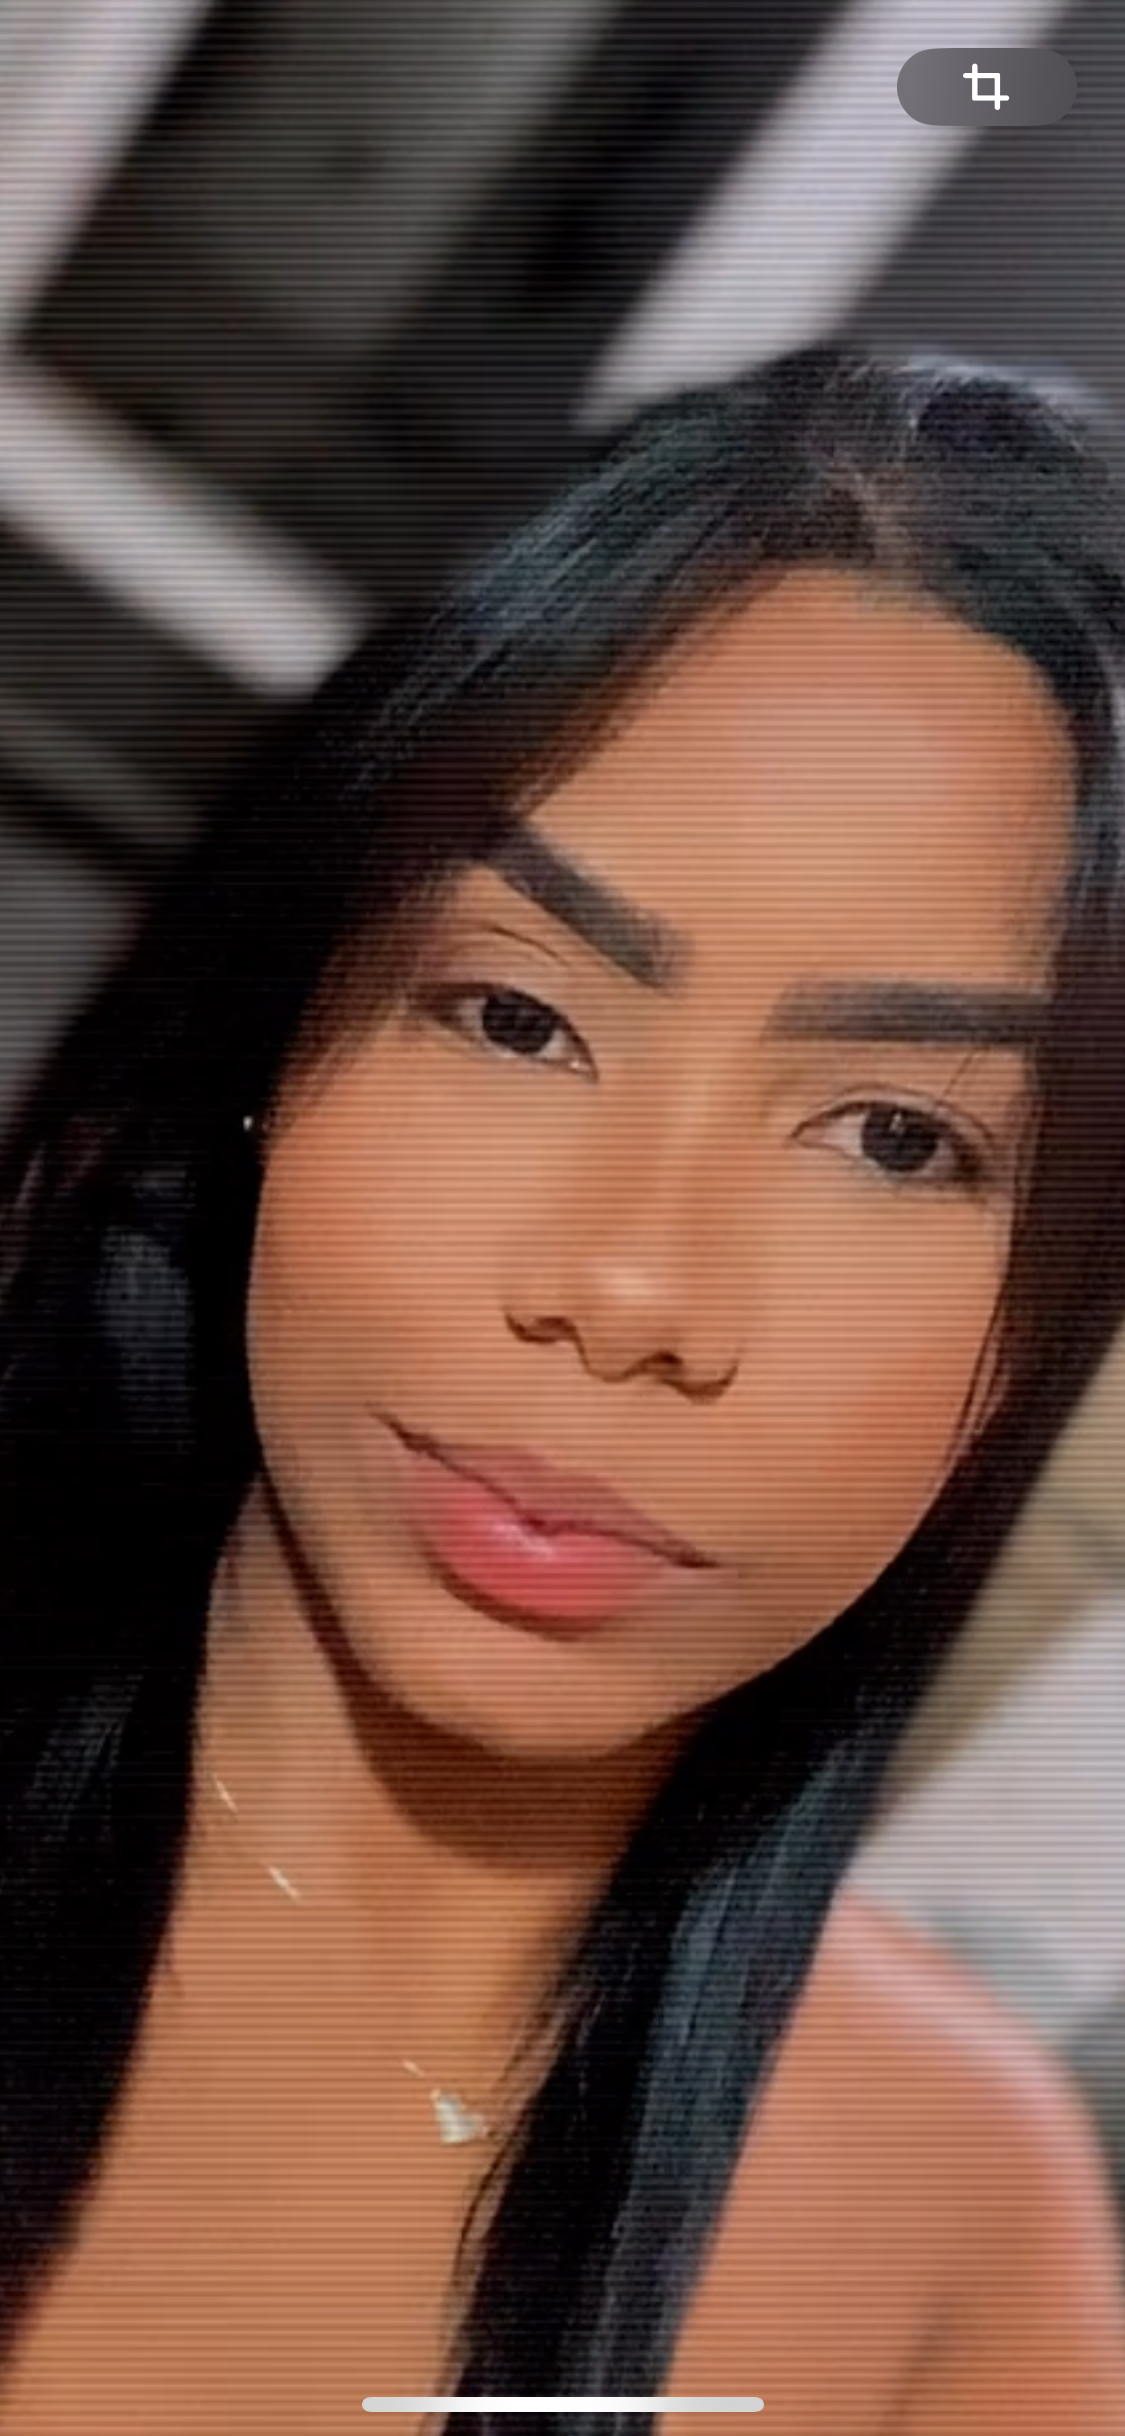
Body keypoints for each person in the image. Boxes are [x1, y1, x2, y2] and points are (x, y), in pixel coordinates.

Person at [2, 343, 1125, 2436]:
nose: (633, 1289)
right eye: (515, 1017)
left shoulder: (955, 2237)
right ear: (277, 1041)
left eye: (898, 1139)